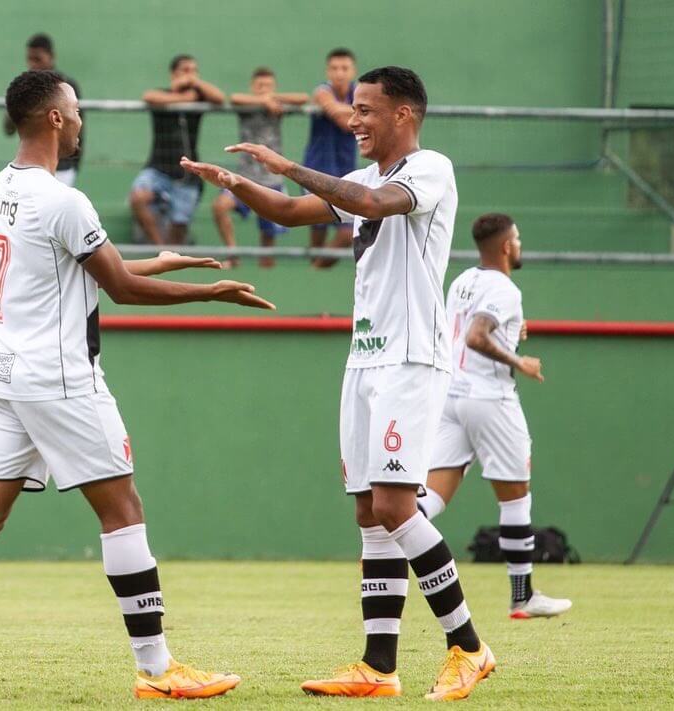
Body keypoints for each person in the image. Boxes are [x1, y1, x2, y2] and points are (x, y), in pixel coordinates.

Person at [0, 70, 273, 702]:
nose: (82, 118)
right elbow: (119, 286)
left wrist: (156, 260)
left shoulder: (3, 187)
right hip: (58, 377)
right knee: (124, 510)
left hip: (2, 370)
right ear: (55, 119)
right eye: (76, 109)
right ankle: (158, 669)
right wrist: (209, 291)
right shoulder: (64, 199)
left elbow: (71, 270)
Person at [183, 65, 494, 701]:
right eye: (354, 109)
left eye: (366, 110)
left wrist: (286, 163)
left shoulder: (429, 168)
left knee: (393, 506)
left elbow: (373, 205)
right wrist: (239, 182)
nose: (354, 120)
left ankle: (469, 647)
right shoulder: (356, 177)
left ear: (403, 114)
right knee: (368, 512)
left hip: (411, 358)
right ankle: (378, 666)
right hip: (365, 359)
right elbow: (294, 213)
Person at [420, 213, 572, 618]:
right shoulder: (504, 288)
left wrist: (512, 331)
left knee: (431, 496)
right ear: (506, 246)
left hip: (451, 397)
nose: (520, 245)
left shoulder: (463, 281)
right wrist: (518, 361)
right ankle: (523, 596)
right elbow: (476, 335)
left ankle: (381, 550)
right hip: (490, 398)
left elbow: (468, 330)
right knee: (515, 497)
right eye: (518, 238)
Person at [212, 67, 307, 268]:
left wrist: (272, 98)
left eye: (268, 86)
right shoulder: (247, 106)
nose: (264, 90)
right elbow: (235, 97)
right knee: (220, 206)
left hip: (272, 181)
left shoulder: (277, 105)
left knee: (268, 239)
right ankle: (233, 254)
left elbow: (303, 98)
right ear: (252, 87)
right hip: (244, 177)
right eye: (260, 86)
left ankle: (265, 270)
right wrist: (263, 100)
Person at [130, 54, 225, 246]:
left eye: (194, 71)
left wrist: (194, 83)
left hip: (188, 175)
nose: (190, 75)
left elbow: (220, 97)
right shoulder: (162, 95)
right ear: (173, 74)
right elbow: (148, 96)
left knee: (179, 229)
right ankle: (160, 248)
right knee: (138, 197)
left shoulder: (199, 97)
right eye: (185, 70)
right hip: (158, 169)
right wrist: (183, 98)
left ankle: (172, 255)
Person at [3, 33, 83, 187]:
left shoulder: (65, 88)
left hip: (62, 168)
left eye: (38, 59)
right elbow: (8, 127)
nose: (33, 64)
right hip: (31, 166)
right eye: (30, 59)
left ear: (51, 56)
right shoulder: (25, 88)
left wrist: (74, 161)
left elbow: (78, 128)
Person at [303, 48, 358, 268]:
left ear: (353, 71)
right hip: (315, 170)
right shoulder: (321, 91)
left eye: (344, 68)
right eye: (335, 68)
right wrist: (358, 112)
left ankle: (317, 267)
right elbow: (340, 118)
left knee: (347, 232)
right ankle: (312, 269)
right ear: (328, 70)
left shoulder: (359, 92)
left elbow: (346, 118)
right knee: (317, 226)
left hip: (346, 172)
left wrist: (350, 111)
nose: (339, 73)